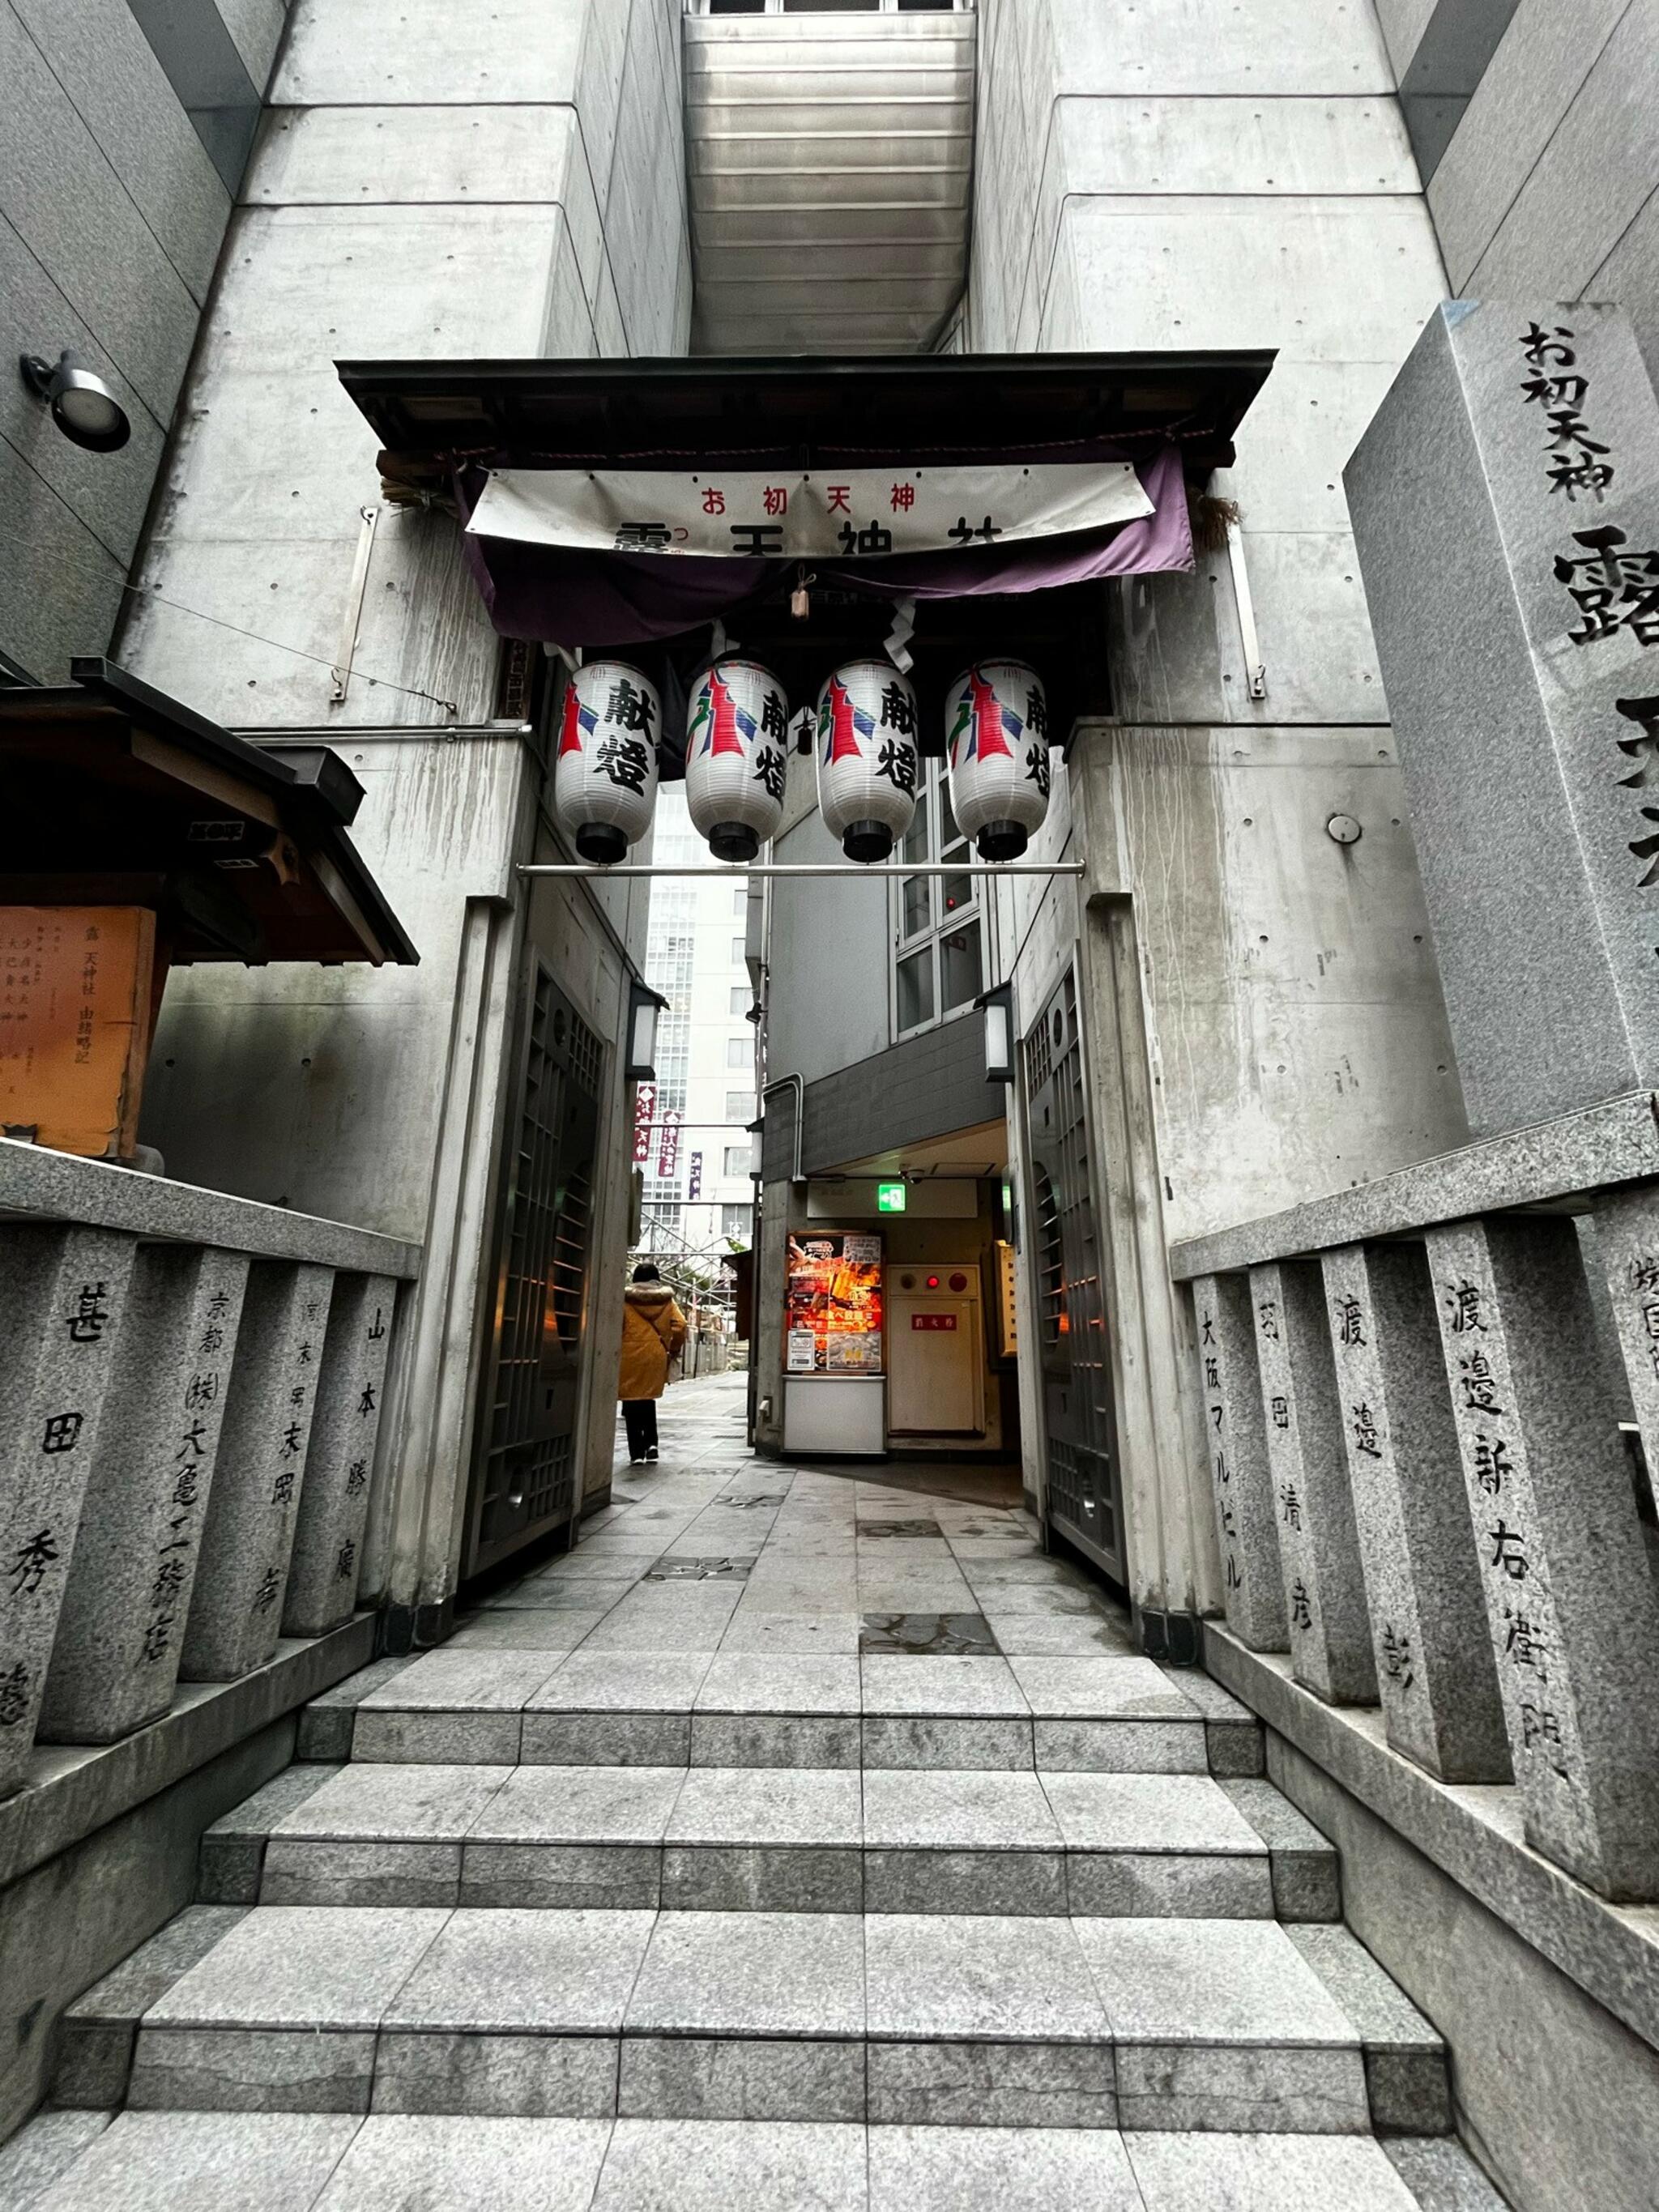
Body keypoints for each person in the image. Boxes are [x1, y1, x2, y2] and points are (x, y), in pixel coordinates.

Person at [617, 1262, 687, 1464]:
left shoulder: (626, 1300)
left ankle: (637, 1453)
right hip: (655, 1355)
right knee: (648, 1400)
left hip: (629, 1355)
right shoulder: (666, 1300)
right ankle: (652, 1444)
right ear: (656, 1279)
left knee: (630, 1403)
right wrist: (673, 1347)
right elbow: (680, 1325)